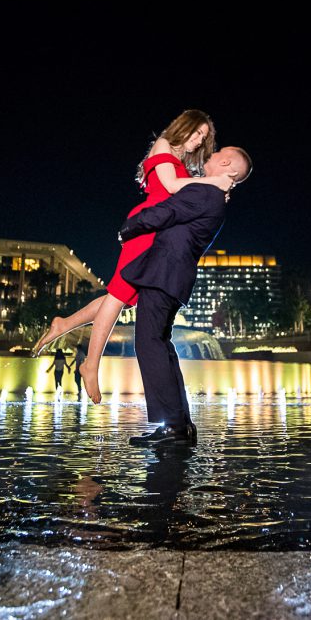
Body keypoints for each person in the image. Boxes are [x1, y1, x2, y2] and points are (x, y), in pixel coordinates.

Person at [32, 110, 235, 403]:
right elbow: (172, 188)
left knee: (125, 296)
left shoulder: (181, 160)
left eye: (204, 137)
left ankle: (64, 325)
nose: (198, 140)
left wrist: (210, 185)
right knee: (120, 294)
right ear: (185, 126)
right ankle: (91, 363)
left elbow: (186, 193)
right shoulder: (164, 144)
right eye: (196, 132)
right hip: (147, 227)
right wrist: (213, 184)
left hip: (159, 231)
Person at [120, 147, 253, 446]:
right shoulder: (214, 195)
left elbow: (168, 211)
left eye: (219, 151)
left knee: (149, 343)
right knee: (162, 346)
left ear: (227, 163)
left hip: (164, 273)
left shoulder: (206, 194)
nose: (213, 152)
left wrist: (131, 226)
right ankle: (180, 425)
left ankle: (174, 428)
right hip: (174, 277)